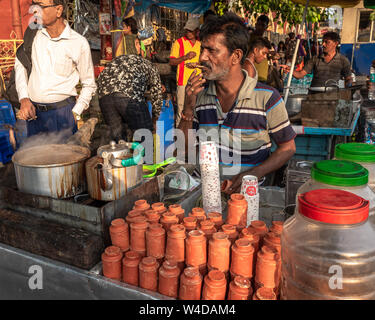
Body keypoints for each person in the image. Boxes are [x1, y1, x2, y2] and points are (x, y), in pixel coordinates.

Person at [178, 13, 296, 193]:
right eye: (203, 50)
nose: (202, 57)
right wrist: (188, 108)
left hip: (247, 198)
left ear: (235, 56)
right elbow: (182, 151)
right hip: (202, 194)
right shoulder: (199, 97)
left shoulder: (267, 98)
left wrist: (253, 174)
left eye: (212, 51)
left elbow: (288, 147)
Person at [14, 0, 96, 137]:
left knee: (66, 156)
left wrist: (75, 112)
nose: (35, 10)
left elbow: (89, 84)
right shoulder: (33, 35)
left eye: (41, 6)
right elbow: (20, 63)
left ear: (58, 10)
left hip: (63, 114)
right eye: (33, 5)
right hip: (34, 114)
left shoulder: (78, 43)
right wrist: (24, 99)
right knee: (36, 156)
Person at [97, 54, 162, 142]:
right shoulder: (151, 67)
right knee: (145, 139)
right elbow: (157, 95)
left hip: (104, 96)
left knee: (118, 143)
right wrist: (154, 120)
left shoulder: (120, 59)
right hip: (128, 96)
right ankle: (145, 155)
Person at [282, 31, 352, 88]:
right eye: (323, 42)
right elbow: (300, 74)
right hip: (314, 97)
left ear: (335, 44)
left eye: (327, 42)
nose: (323, 44)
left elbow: (348, 78)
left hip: (332, 98)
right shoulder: (315, 58)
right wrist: (290, 69)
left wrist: (348, 86)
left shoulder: (343, 60)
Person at [169, 17, 201, 126]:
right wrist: (185, 57)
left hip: (198, 82)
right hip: (182, 83)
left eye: (191, 30)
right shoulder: (179, 43)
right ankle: (180, 136)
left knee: (196, 110)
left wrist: (198, 65)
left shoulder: (200, 44)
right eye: (187, 30)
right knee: (181, 109)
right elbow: (172, 61)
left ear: (197, 31)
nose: (188, 32)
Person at [248, 14, 270, 83]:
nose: (260, 27)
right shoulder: (249, 38)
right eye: (259, 25)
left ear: (266, 27)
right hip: (251, 75)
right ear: (255, 24)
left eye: (263, 25)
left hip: (262, 76)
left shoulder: (265, 40)